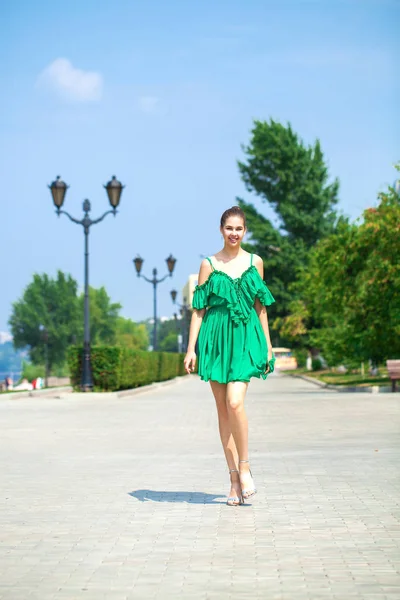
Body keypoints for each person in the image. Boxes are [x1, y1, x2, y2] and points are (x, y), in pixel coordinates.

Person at [184, 206, 275, 506]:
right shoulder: (208, 264)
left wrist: (269, 344)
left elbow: (261, 306)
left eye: (239, 228)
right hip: (216, 339)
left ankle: (246, 468)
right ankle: (233, 479)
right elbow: (200, 308)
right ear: (221, 230)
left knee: (235, 402)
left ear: (245, 230)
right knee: (223, 409)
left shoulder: (255, 262)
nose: (234, 233)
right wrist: (190, 348)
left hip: (245, 335)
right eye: (229, 228)